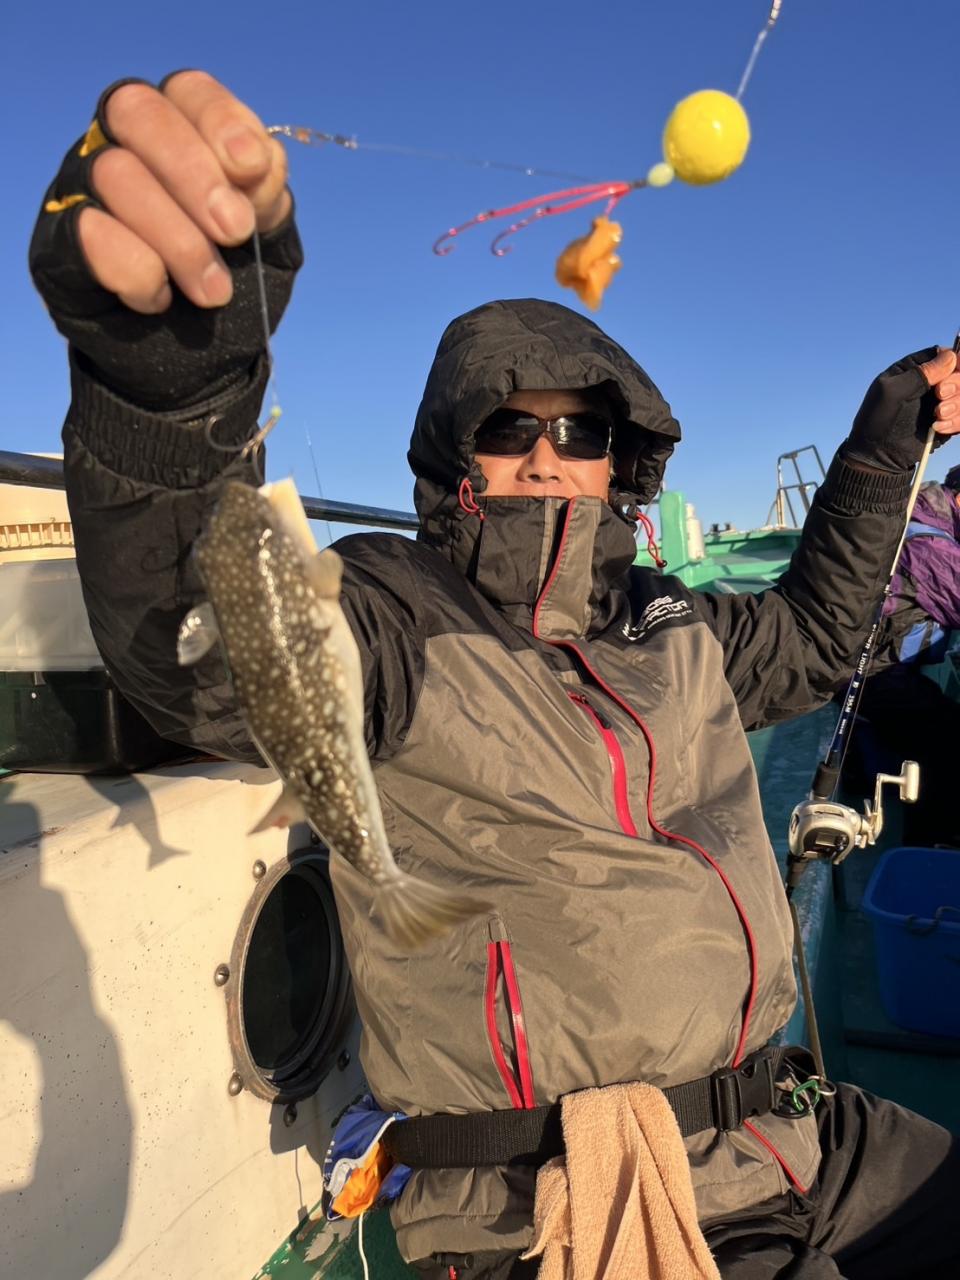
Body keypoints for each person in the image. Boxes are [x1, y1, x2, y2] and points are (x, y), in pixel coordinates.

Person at [28, 73, 960, 1279]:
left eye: (582, 430)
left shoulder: (671, 616)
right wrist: (168, 401)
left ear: (622, 460)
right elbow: (195, 657)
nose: (547, 455)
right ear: (455, 458)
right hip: (563, 1194)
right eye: (509, 427)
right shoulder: (394, 608)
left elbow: (820, 636)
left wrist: (891, 435)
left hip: (785, 1128)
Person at [843, 467, 960, 849]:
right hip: (868, 673)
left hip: (853, 662)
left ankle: (862, 770)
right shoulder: (931, 547)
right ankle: (931, 842)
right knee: (948, 734)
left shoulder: (915, 519)